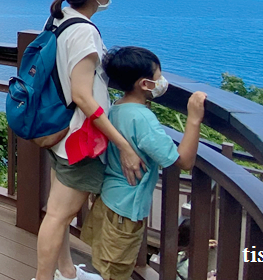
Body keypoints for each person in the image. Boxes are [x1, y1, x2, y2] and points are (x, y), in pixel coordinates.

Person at [34, 0, 146, 280]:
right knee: (57, 215)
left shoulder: (59, 19)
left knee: (59, 213)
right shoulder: (83, 32)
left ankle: (66, 273)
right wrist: (122, 143)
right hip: (79, 141)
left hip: (60, 134)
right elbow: (83, 95)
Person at [79, 46, 207, 280]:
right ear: (145, 84)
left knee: (106, 266)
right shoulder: (143, 120)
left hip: (109, 199)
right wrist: (194, 119)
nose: (162, 81)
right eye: (158, 76)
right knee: (115, 272)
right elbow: (184, 161)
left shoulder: (116, 107)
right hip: (125, 211)